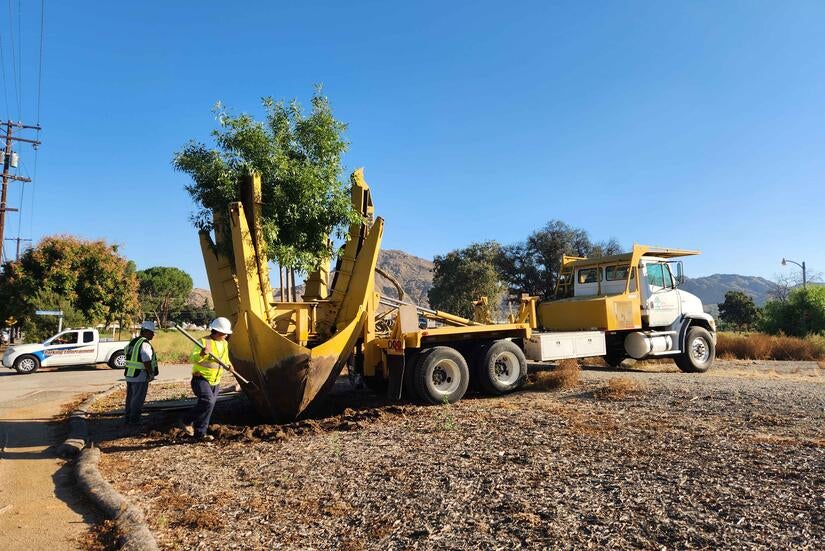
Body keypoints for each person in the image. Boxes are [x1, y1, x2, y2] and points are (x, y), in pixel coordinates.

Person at [180, 317, 232, 441]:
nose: (226, 335)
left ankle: (199, 434)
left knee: (209, 406)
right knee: (207, 401)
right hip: (201, 378)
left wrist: (230, 365)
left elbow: (225, 359)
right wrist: (202, 354)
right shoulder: (203, 342)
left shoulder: (224, 343)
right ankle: (186, 420)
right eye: (224, 333)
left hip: (216, 380)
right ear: (217, 331)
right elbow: (192, 359)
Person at [123, 321, 158, 426]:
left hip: (130, 374)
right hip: (140, 375)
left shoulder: (133, 342)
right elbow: (146, 360)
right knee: (138, 399)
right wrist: (150, 374)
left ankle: (128, 418)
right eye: (152, 332)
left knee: (130, 398)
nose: (153, 335)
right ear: (146, 332)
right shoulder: (144, 344)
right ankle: (134, 421)